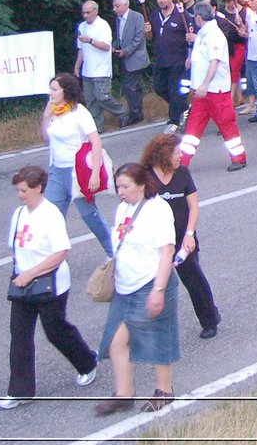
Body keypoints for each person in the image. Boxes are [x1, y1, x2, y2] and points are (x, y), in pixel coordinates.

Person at [0, 165, 99, 408]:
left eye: (24, 190)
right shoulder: (19, 214)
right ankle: (20, 390)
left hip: (50, 284)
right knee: (20, 335)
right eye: (18, 190)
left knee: (55, 331)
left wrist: (32, 273)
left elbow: (60, 252)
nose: (20, 194)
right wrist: (21, 273)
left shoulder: (50, 214)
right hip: (22, 283)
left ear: (39, 188)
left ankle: (87, 362)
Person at [94, 163, 180, 416]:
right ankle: (124, 394)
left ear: (142, 184)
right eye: (117, 186)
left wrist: (159, 290)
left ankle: (164, 391)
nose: (120, 192)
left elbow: (167, 252)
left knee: (156, 338)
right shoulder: (122, 209)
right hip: (124, 287)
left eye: (125, 186)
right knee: (115, 341)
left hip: (150, 282)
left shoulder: (158, 209)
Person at [142, 134, 220, 340]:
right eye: (177, 152)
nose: (181, 156)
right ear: (164, 155)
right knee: (148, 283)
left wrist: (190, 235)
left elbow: (193, 206)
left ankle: (209, 319)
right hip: (157, 240)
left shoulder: (183, 173)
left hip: (182, 238)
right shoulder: (146, 177)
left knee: (194, 280)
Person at [42, 74, 113, 257]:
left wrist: (95, 174)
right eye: (50, 88)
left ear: (66, 91)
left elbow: (95, 142)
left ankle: (113, 251)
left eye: (54, 89)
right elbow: (46, 139)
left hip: (77, 173)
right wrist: (45, 117)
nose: (50, 93)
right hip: (57, 172)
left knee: (90, 216)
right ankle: (51, 257)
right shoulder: (53, 111)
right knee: (51, 216)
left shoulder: (79, 112)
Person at [180, 1, 248, 172]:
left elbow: (214, 61)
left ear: (198, 17)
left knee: (226, 124)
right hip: (203, 92)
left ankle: (239, 157)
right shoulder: (204, 33)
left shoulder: (214, 35)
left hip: (215, 90)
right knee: (193, 127)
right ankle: (182, 162)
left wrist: (204, 84)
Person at [146, 0, 191, 131]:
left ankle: (175, 121)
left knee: (174, 90)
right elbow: (150, 37)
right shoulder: (154, 15)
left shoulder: (182, 15)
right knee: (159, 88)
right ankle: (185, 108)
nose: (161, 0)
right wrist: (146, 32)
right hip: (161, 59)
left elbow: (190, 38)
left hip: (178, 59)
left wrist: (189, 57)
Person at [76, 0, 124, 130]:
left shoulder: (102, 25)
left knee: (102, 97)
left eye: (88, 12)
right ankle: (97, 127)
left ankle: (122, 113)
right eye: (83, 12)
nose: (85, 15)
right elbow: (81, 49)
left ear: (95, 11)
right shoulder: (82, 27)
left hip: (101, 69)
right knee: (91, 101)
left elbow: (106, 47)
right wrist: (77, 66)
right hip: (87, 70)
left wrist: (90, 40)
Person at [110, 0, 150, 126]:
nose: (115, 9)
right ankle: (137, 112)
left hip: (134, 57)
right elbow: (120, 37)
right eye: (114, 6)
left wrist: (126, 51)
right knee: (133, 86)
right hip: (124, 57)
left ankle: (135, 114)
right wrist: (114, 46)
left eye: (117, 6)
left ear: (126, 5)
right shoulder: (118, 19)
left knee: (130, 86)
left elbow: (139, 38)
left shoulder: (136, 17)